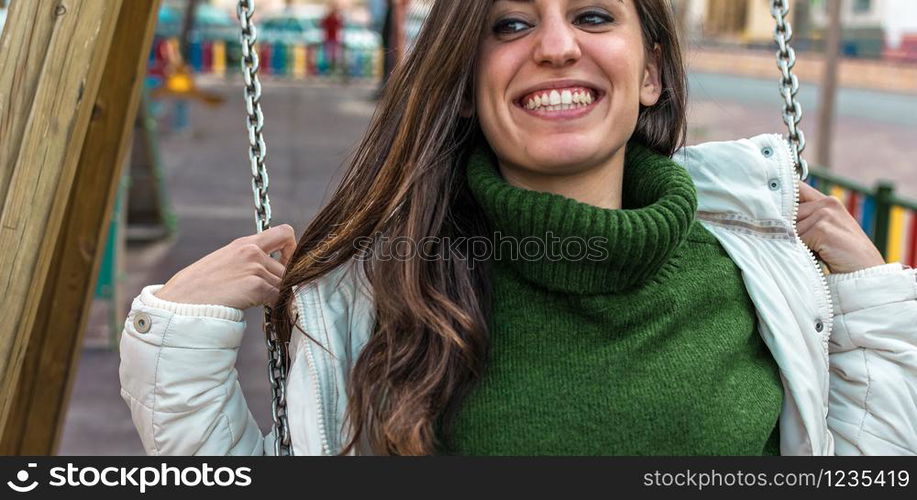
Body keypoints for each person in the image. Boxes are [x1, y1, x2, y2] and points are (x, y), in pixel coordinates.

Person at [119, 0, 917, 456]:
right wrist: (183, 340)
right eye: (508, 25)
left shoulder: (761, 268)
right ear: (466, 87)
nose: (556, 46)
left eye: (594, 15)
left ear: (650, 76)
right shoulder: (381, 288)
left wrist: (874, 305)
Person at [320, 3, 345, 77]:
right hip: (329, 39)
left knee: (335, 56)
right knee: (329, 56)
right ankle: (330, 70)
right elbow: (322, 24)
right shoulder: (328, 18)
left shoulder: (336, 18)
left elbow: (341, 24)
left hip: (334, 39)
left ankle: (334, 70)